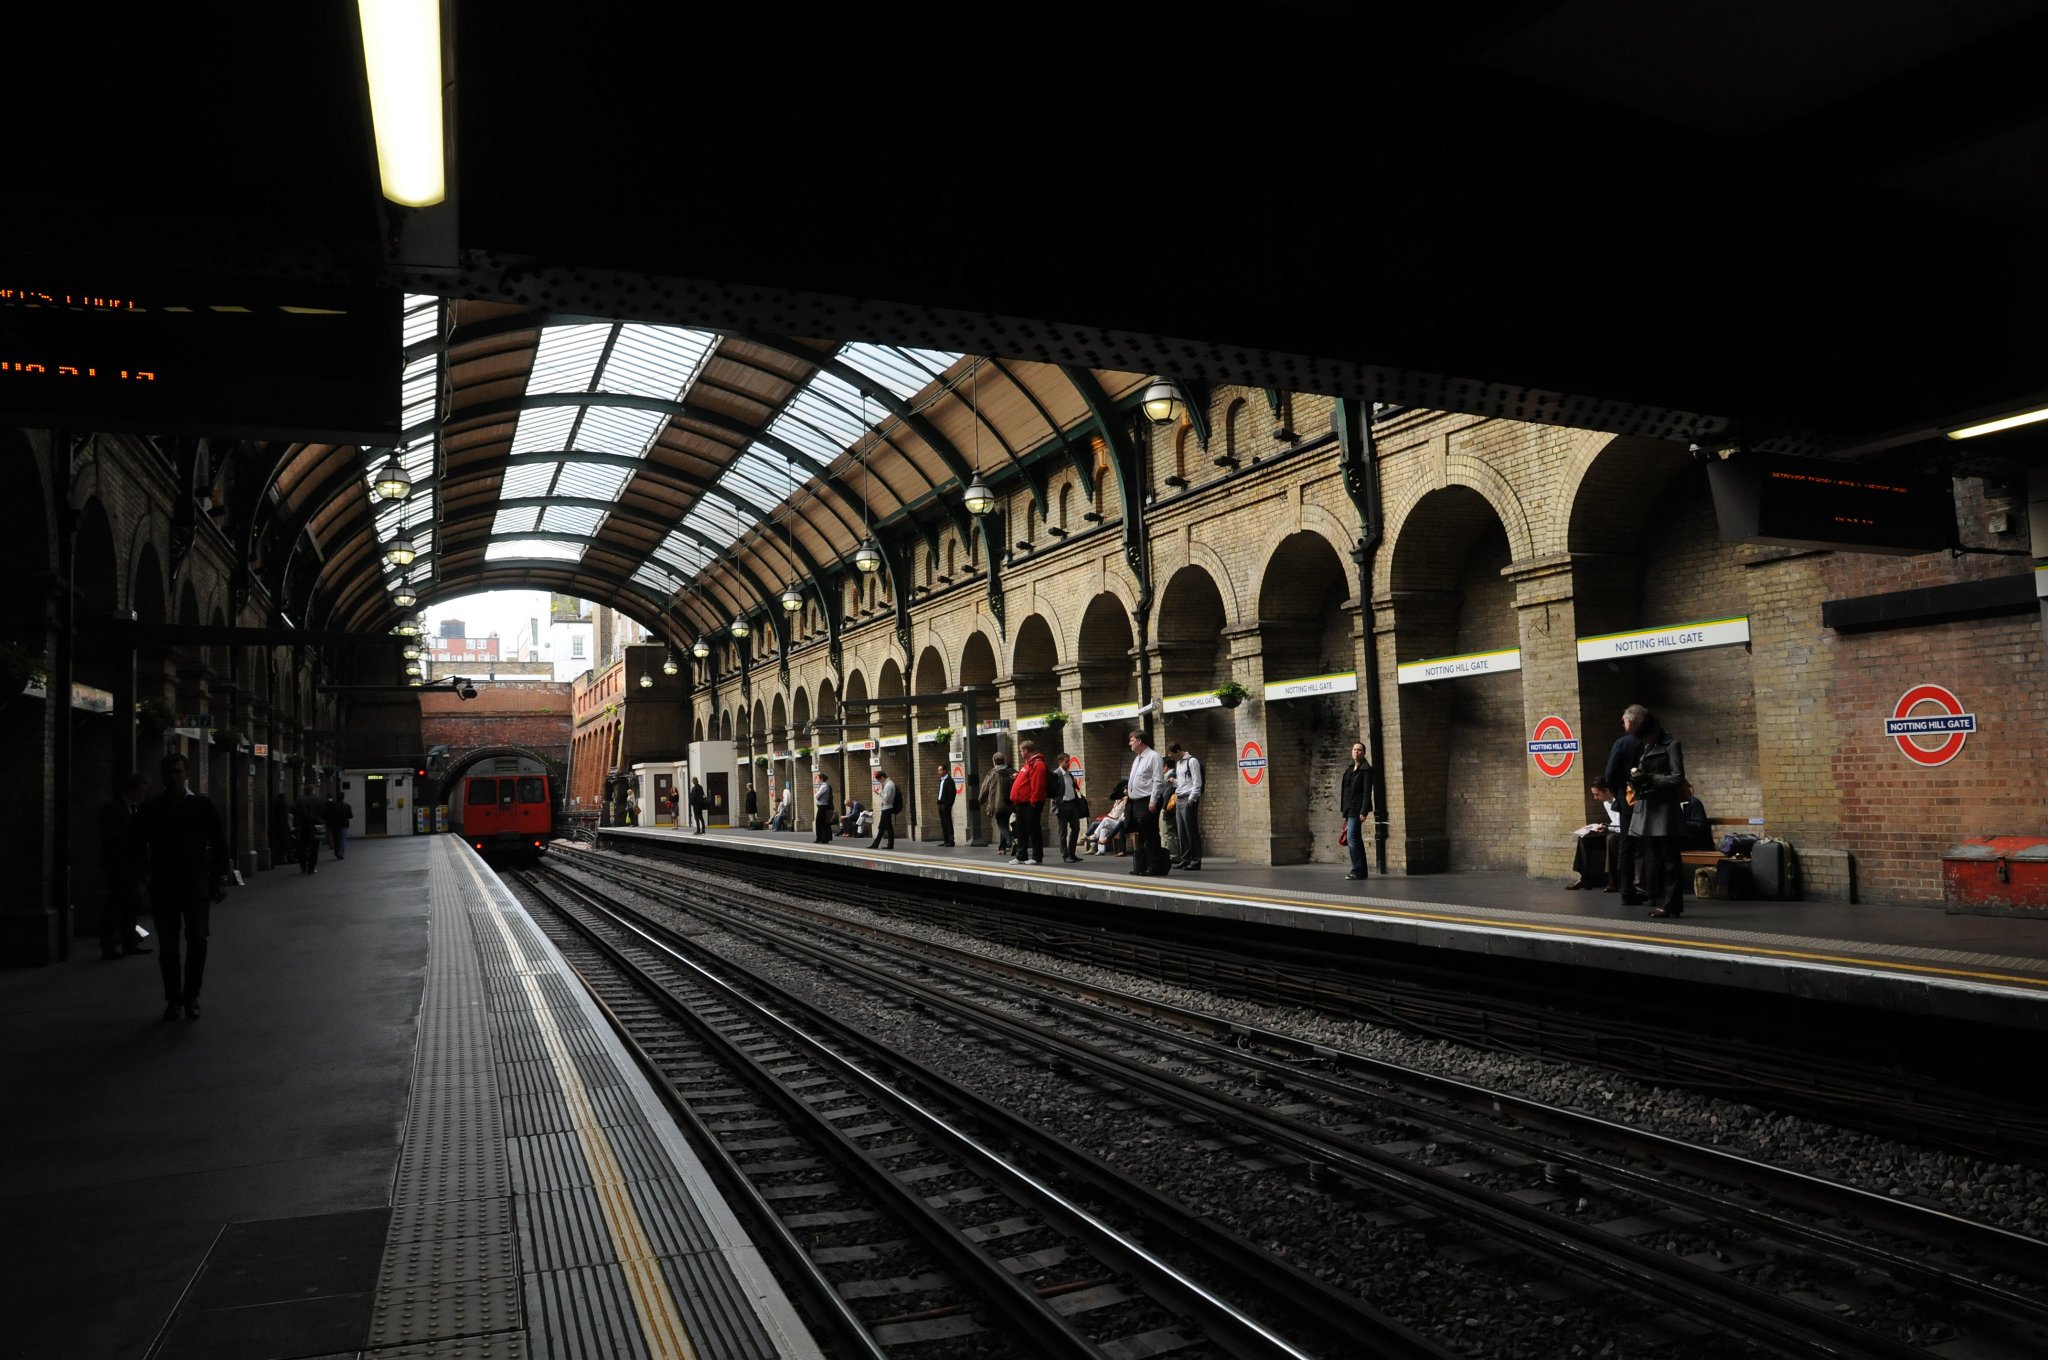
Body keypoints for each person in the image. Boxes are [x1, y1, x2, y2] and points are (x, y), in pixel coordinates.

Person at [139, 752, 229, 1021]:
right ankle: (173, 999)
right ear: (162, 775)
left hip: (196, 881)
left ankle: (191, 996)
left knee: (198, 939)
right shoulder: (151, 808)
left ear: (186, 773)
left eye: (178, 772)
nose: (174, 777)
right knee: (168, 946)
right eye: (169, 772)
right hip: (163, 883)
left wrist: (221, 878)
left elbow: (219, 842)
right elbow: (136, 845)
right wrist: (139, 879)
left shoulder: (202, 805)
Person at [1629, 710, 1689, 918]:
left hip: (1665, 811)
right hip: (1649, 807)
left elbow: (1678, 777)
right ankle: (1659, 899)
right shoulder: (1647, 746)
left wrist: (1651, 779)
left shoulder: (1671, 745)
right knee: (1655, 859)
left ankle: (1671, 903)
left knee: (1670, 860)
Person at [100, 772, 151, 959]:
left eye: (144, 792)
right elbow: (111, 838)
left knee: (131, 906)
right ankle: (108, 946)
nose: (142, 795)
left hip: (133, 865)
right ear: (130, 789)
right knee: (114, 906)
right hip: (119, 865)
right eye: (140, 791)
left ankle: (130, 943)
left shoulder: (136, 808)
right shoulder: (112, 808)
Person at [1603, 705, 1650, 905]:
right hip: (1651, 803)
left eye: (1623, 721)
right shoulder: (1655, 742)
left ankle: (1626, 890)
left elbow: (1610, 774)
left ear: (1630, 721)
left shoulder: (1622, 744)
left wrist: (1621, 793)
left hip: (1628, 804)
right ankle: (1652, 889)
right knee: (1651, 846)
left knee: (1626, 848)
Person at [1124, 728, 1167, 875]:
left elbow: (1158, 780)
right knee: (1140, 835)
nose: (1130, 742)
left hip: (1147, 800)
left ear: (1140, 741)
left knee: (1150, 834)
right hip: (1135, 802)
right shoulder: (1138, 758)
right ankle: (1140, 866)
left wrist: (1153, 800)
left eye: (1132, 740)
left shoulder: (1153, 756)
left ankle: (1154, 866)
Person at [1566, 779, 1622, 889]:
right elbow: (1615, 822)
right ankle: (1585, 878)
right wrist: (1603, 826)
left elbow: (1623, 826)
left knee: (1611, 838)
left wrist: (1608, 828)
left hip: (1624, 835)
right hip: (1614, 830)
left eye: (1597, 794)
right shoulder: (1606, 803)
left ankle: (1612, 880)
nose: (1595, 798)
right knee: (1585, 838)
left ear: (1606, 790)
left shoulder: (1620, 801)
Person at [1008, 740, 1048, 865]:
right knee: (1021, 830)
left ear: (1026, 750)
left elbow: (1038, 785)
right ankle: (1021, 855)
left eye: (1020, 751)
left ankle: (1037, 856)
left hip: (1030, 804)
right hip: (1021, 804)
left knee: (1033, 830)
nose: (1020, 753)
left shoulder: (1038, 764)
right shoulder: (1027, 764)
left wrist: (1034, 801)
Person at [1167, 741, 1204, 870]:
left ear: (1178, 751)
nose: (1172, 758)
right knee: (1181, 830)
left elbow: (1196, 781)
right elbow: (1184, 782)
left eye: (1172, 755)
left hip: (1188, 799)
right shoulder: (1178, 763)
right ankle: (1186, 858)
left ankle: (1195, 860)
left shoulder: (1192, 761)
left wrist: (1192, 799)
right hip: (1179, 798)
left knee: (1191, 830)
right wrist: (1175, 782)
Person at [1339, 739, 1373, 880]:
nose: (1356, 752)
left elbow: (1367, 792)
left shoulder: (1366, 770)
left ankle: (1357, 870)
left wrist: (1363, 811)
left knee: (1352, 838)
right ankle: (1361, 871)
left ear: (1364, 753)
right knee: (1354, 838)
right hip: (1349, 809)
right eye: (1354, 749)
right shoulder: (1350, 769)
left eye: (1359, 750)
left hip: (1357, 809)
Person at [1054, 754, 1086, 862]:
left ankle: (1072, 853)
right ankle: (1065, 855)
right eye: (1066, 762)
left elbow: (1073, 788)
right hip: (1063, 805)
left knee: (1076, 829)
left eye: (1069, 761)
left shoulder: (1069, 774)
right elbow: (1052, 792)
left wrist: (1075, 783)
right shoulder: (1056, 774)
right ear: (1060, 762)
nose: (1068, 764)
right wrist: (1058, 803)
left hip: (1073, 804)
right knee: (1063, 832)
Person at [979, 753, 1013, 855]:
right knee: (1005, 823)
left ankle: (1012, 841)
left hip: (998, 804)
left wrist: (980, 800)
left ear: (994, 761)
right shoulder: (1012, 772)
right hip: (1011, 803)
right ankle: (1002, 848)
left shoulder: (993, 773)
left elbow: (985, 788)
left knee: (1001, 825)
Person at [292, 781, 325, 874]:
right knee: (315, 848)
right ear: (313, 791)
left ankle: (303, 866)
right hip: (317, 826)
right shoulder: (318, 800)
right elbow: (323, 812)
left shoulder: (300, 800)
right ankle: (311, 867)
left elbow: (293, 810)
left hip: (303, 826)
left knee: (302, 847)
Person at [1090, 784, 1130, 855]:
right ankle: (1101, 851)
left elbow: (1117, 813)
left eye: (1125, 790)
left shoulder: (1126, 800)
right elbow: (1112, 812)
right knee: (1103, 830)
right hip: (1116, 821)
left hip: (1120, 822)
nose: (1124, 791)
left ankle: (1095, 835)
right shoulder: (1118, 801)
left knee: (1106, 820)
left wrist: (1109, 817)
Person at [868, 770, 901, 849]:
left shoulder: (889, 785)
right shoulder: (887, 784)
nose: (880, 781)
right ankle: (875, 844)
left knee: (888, 827)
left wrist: (879, 792)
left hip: (887, 808)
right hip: (885, 808)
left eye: (879, 780)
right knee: (881, 827)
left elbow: (887, 799)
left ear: (882, 777)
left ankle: (890, 845)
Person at [1678, 781, 1713, 852]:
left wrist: (1682, 823)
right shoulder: (1676, 804)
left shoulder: (1694, 803)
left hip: (1698, 844)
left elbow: (1700, 825)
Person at [324, 787, 353, 859]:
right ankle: (341, 853)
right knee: (342, 839)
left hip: (335, 825)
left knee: (336, 839)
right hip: (344, 824)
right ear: (343, 797)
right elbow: (351, 816)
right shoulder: (347, 806)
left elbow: (330, 815)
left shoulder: (333, 806)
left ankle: (336, 852)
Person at [934, 762, 958, 847]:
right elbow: (940, 792)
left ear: (945, 770)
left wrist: (948, 805)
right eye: (938, 770)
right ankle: (945, 840)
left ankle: (951, 841)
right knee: (943, 823)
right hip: (940, 805)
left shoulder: (949, 781)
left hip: (946, 805)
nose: (939, 772)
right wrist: (938, 801)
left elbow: (952, 794)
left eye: (940, 770)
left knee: (948, 822)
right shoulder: (941, 780)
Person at [268, 788, 293, 867]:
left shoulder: (277, 805)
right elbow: (284, 817)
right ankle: (289, 858)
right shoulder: (283, 805)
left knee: (281, 844)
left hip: (278, 827)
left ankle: (280, 859)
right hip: (283, 827)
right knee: (286, 843)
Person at [813, 774, 834, 842]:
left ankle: (819, 838)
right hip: (822, 806)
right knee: (823, 823)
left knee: (819, 823)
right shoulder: (822, 786)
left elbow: (816, 796)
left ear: (821, 779)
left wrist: (816, 793)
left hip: (822, 806)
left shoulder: (824, 787)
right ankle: (824, 838)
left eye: (818, 779)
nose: (817, 780)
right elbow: (816, 791)